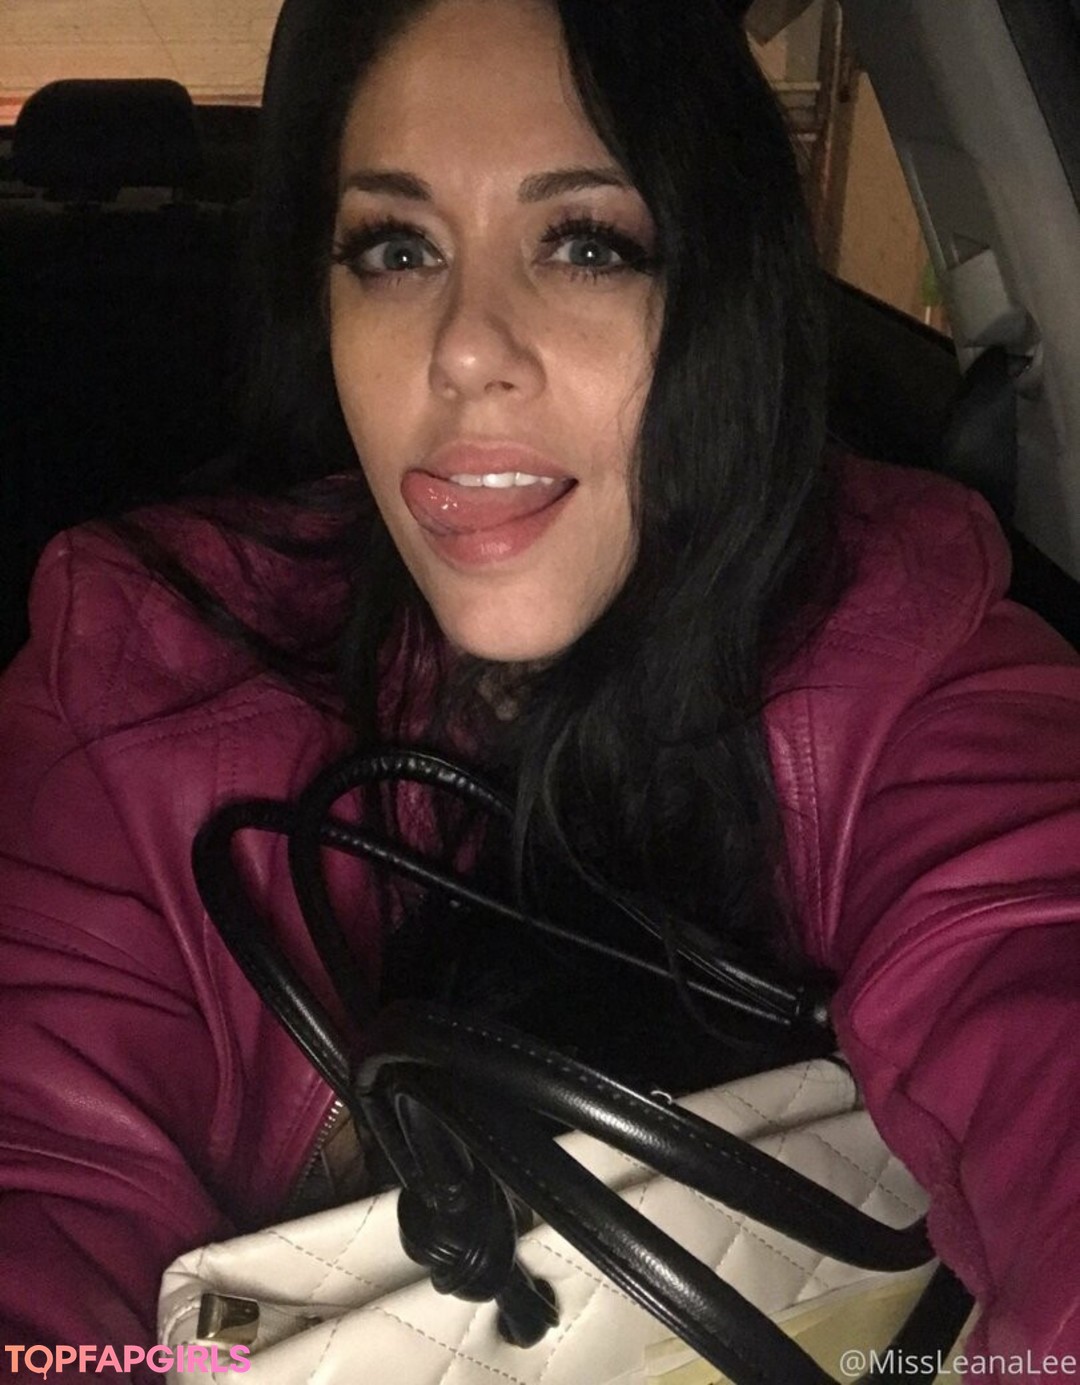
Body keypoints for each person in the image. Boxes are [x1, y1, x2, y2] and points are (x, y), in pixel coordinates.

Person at [1, 0, 1078, 1376]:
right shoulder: (130, 689)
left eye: (584, 244)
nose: (464, 349)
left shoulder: (906, 641)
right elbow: (42, 1190)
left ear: (717, 290)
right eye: (397, 249)